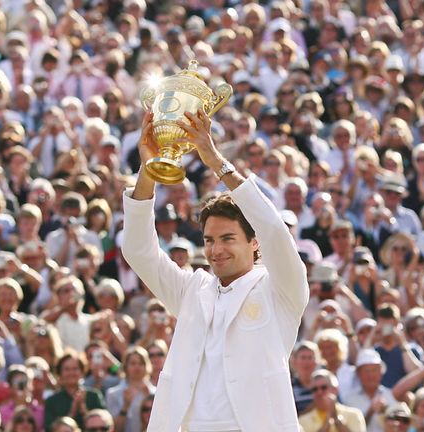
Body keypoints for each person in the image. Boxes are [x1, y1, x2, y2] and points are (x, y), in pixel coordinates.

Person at [122, 109, 309, 430]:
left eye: (227, 238)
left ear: (254, 242)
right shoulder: (193, 290)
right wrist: (150, 169)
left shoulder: (281, 290)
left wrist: (215, 161)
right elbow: (138, 250)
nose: (216, 249)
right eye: (209, 240)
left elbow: (275, 232)